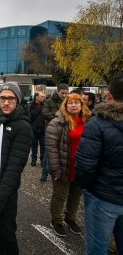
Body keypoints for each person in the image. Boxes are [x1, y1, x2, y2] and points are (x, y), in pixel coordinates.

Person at [75, 75, 123, 255]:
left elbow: (85, 165)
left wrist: (82, 185)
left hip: (103, 197)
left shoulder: (97, 123)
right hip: (108, 194)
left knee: (97, 247)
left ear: (108, 95)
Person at [0, 82, 33, 255]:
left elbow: (14, 169)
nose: (6, 102)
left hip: (5, 192)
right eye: (3, 98)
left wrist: (1, 198)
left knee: (7, 236)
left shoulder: (23, 127)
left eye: (10, 98)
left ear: (18, 101)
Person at [45, 93, 91, 237]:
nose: (73, 105)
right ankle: (56, 221)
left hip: (81, 166)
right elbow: (51, 147)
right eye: (70, 103)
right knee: (60, 195)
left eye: (76, 103)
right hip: (63, 165)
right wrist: (55, 168)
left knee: (76, 195)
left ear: (81, 105)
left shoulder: (88, 121)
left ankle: (70, 218)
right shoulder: (57, 122)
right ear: (65, 105)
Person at [40, 83, 69, 183]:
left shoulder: (68, 101)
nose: (64, 95)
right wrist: (58, 117)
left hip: (65, 131)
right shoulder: (49, 101)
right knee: (48, 154)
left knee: (61, 153)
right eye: (62, 93)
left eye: (66, 93)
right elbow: (44, 113)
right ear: (58, 91)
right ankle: (44, 175)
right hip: (51, 130)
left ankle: (60, 173)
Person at [28, 91, 46, 166]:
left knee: (43, 145)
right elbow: (28, 117)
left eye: (44, 96)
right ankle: (33, 160)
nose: (43, 98)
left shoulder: (45, 105)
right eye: (42, 96)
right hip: (33, 129)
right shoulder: (30, 105)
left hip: (43, 129)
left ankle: (42, 160)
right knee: (34, 145)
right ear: (36, 97)